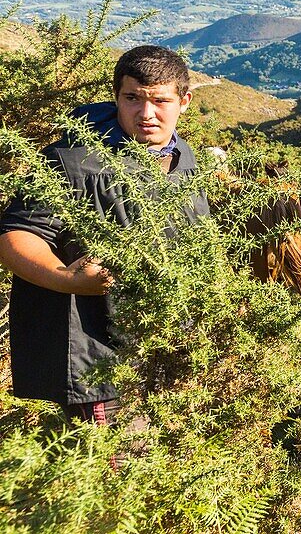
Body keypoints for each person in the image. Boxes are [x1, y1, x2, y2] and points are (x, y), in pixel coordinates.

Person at [0, 45, 210, 425]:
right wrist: (66, 279)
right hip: (97, 361)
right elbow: (15, 236)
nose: (146, 113)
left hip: (163, 351)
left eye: (160, 101)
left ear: (185, 101)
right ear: (117, 97)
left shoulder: (185, 159)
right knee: (118, 467)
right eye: (132, 98)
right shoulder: (72, 160)